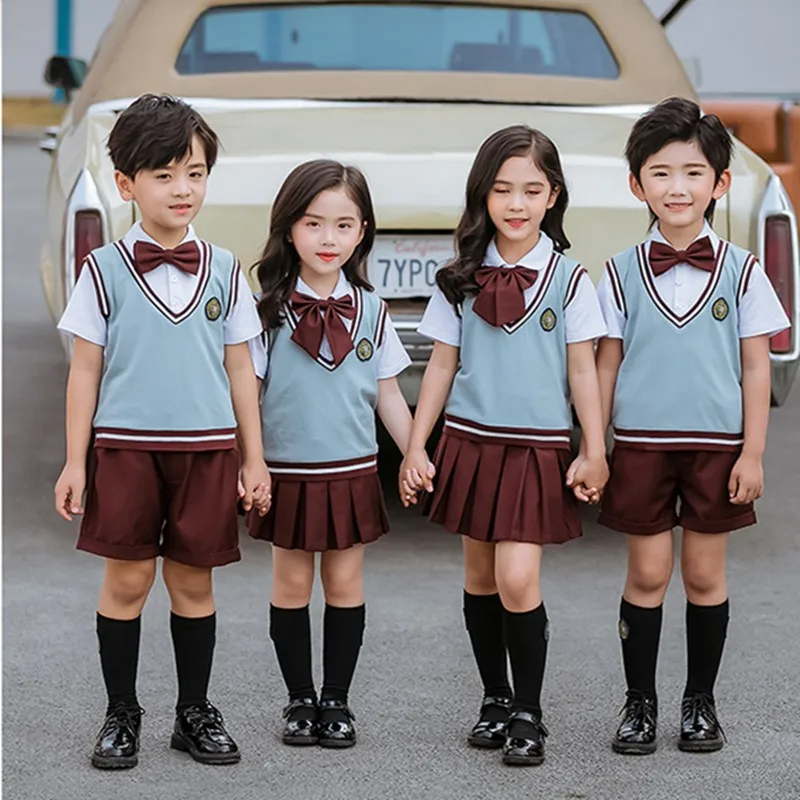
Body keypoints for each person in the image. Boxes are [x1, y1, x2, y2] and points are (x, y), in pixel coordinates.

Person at [54, 94, 271, 770]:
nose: (183, 189)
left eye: (196, 173)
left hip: (208, 452)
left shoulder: (228, 269)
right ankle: (122, 712)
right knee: (126, 583)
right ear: (126, 184)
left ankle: (193, 711)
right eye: (165, 174)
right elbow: (84, 372)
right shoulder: (105, 272)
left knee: (194, 586)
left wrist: (254, 460)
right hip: (125, 450)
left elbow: (242, 370)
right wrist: (74, 461)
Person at [400, 125, 609, 767]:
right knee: (481, 576)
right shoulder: (460, 278)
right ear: (482, 195)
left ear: (553, 197)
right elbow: (439, 366)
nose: (516, 203)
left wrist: (592, 447)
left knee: (519, 577)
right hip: (469, 441)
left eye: (531, 190)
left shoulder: (570, 281)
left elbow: (582, 369)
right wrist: (415, 446)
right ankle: (494, 698)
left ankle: (528, 710)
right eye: (502, 189)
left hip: (534, 446)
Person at [596, 96, 791, 755]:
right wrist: (596, 447)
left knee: (706, 577)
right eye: (659, 173)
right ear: (636, 184)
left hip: (718, 449)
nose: (676, 188)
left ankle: (700, 703)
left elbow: (757, 370)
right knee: (646, 574)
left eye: (692, 172)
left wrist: (754, 455)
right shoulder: (619, 273)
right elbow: (605, 366)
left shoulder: (742, 273)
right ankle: (639, 704)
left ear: (720, 183)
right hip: (642, 447)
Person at [248, 159, 421, 749]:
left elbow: (389, 395)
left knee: (345, 582)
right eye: (313, 223)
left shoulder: (373, 309)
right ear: (288, 229)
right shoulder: (267, 312)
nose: (329, 239)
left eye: (344, 225)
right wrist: (248, 462)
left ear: (363, 231)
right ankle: (299, 700)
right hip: (287, 472)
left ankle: (337, 701)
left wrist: (418, 452)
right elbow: (248, 395)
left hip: (351, 470)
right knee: (292, 583)